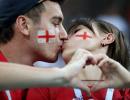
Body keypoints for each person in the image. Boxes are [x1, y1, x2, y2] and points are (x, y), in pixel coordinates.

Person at [0, 0, 94, 99]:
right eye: (55, 23)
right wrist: (62, 75)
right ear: (24, 25)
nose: (64, 35)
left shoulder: (35, 88)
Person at [26, 18, 130, 100]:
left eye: (76, 31)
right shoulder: (45, 86)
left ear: (107, 38)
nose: (65, 37)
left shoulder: (125, 90)